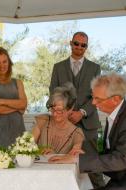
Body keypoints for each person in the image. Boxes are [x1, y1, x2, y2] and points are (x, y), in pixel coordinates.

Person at [49, 73, 126, 190]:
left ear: (115, 99)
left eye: (98, 99)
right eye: (93, 97)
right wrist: (84, 156)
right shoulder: (114, 116)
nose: (93, 103)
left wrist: (78, 160)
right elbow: (111, 155)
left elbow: (121, 160)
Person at [49, 31, 104, 187]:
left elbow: (97, 96)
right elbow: (53, 93)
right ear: (71, 43)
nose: (79, 47)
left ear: (86, 47)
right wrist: (62, 112)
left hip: (88, 125)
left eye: (83, 44)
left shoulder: (95, 68)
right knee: (62, 165)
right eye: (76, 43)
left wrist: (82, 112)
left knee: (93, 167)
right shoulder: (58, 67)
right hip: (63, 126)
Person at [32, 82, 84, 155]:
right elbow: (27, 148)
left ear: (70, 109)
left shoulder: (76, 133)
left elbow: (73, 159)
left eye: (59, 110)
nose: (55, 114)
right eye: (52, 109)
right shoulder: (42, 121)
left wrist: (55, 155)